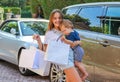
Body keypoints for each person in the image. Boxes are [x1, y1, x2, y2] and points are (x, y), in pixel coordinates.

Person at [33, 9, 83, 82]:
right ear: (52, 20)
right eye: (55, 18)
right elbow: (45, 51)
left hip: (73, 58)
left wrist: (78, 42)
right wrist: (39, 40)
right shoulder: (49, 33)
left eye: (59, 18)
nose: (58, 20)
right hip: (65, 61)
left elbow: (78, 42)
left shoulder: (66, 28)